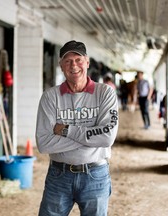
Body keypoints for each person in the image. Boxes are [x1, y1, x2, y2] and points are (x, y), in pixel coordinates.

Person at [35, 40, 119, 216]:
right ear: (61, 66)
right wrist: (91, 139)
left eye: (78, 59)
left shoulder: (105, 93)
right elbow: (43, 143)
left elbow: (107, 138)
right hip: (59, 175)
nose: (73, 65)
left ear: (87, 62)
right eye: (68, 60)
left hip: (95, 175)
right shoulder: (50, 97)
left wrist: (66, 130)